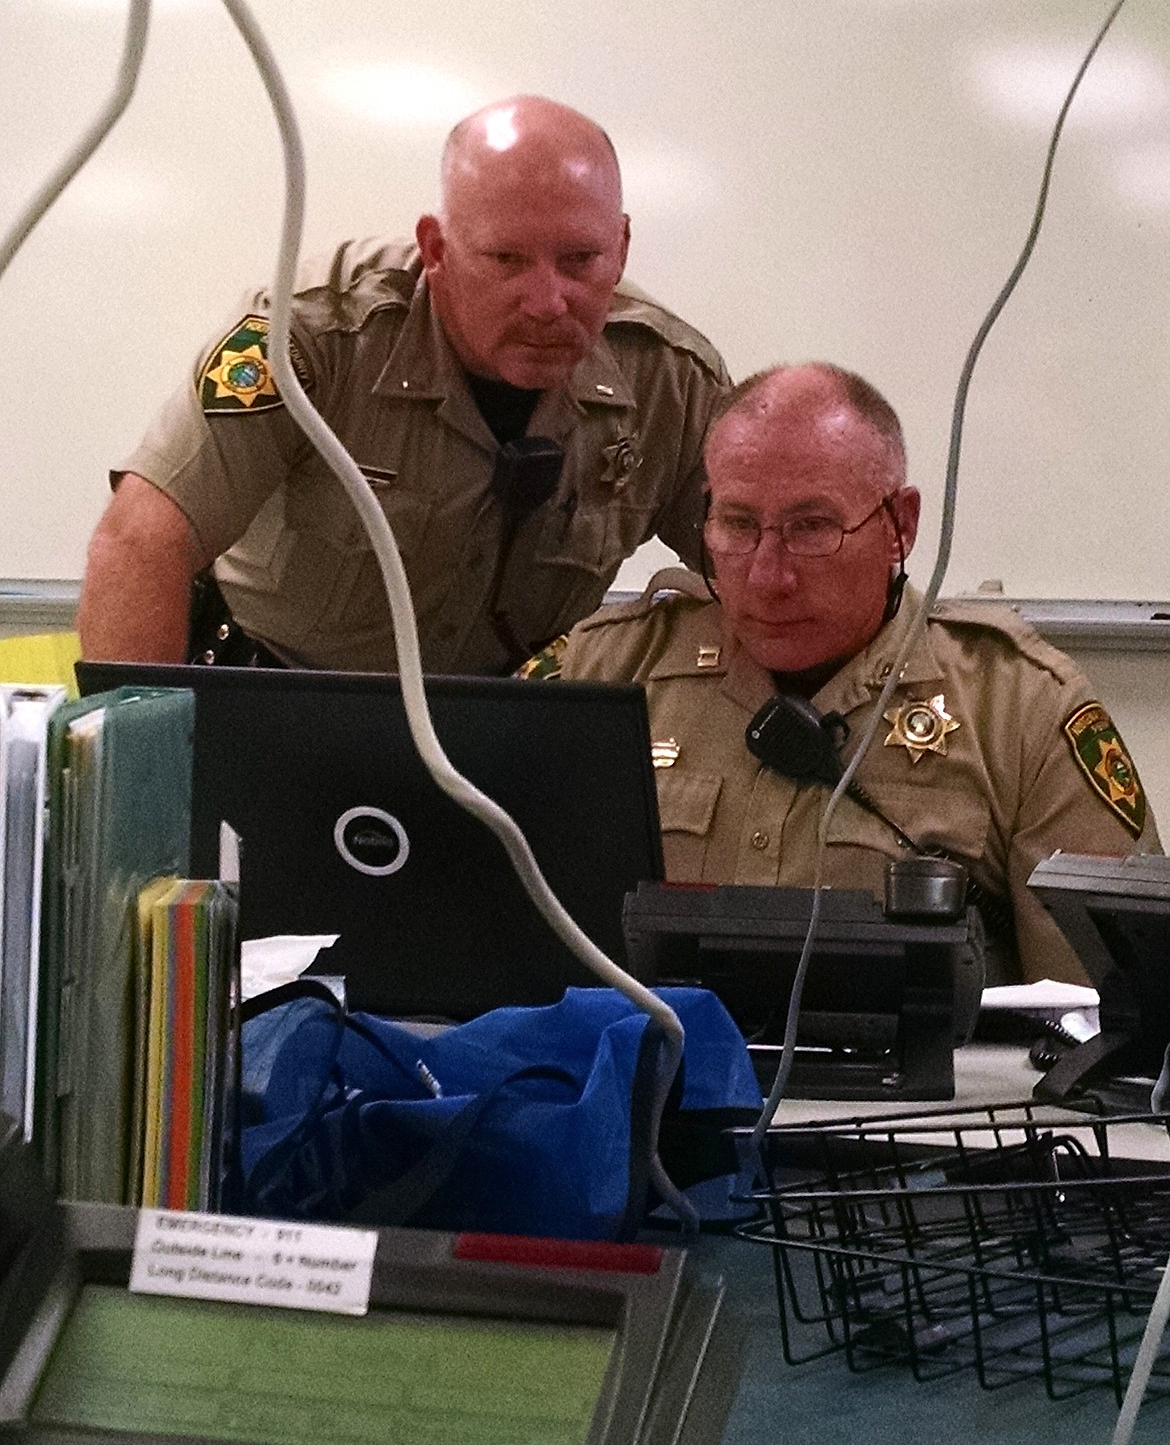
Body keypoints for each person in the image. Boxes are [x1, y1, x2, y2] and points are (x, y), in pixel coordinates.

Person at [540, 363, 1160, 983]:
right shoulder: (607, 672)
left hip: (924, 1078)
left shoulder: (1020, 708)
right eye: (737, 524)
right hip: (654, 1073)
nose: (767, 577)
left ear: (900, 527)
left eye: (813, 528)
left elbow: (1102, 1019)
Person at [77, 96, 729, 674]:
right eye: (507, 259)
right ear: (436, 248)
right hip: (273, 690)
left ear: (620, 245)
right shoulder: (313, 337)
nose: (548, 301)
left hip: (506, 725)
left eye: (580, 260)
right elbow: (141, 543)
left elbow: (767, 568)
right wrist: (140, 781)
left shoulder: (669, 379)